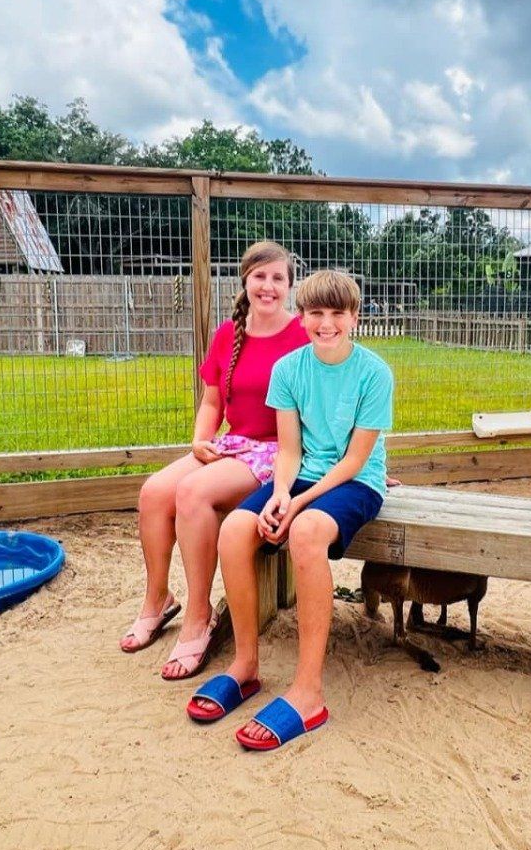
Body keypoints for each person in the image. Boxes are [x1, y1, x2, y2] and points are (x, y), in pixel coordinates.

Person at [186, 269, 394, 750]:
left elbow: (355, 460)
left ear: (355, 318)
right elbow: (288, 451)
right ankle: (245, 665)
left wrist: (297, 505)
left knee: (305, 532)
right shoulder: (288, 370)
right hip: (300, 473)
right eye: (315, 312)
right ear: (301, 317)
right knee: (234, 530)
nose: (326, 323)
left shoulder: (374, 373)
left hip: (355, 480)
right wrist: (281, 492)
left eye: (337, 313)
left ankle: (308, 692)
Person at [120, 240, 308, 680]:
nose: (268, 286)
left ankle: (199, 615)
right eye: (259, 276)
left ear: (290, 286)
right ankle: (157, 599)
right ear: (245, 280)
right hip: (235, 443)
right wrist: (200, 439)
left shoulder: (302, 334)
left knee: (192, 492)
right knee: (153, 492)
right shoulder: (229, 333)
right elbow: (211, 402)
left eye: (278, 278)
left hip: (277, 450)